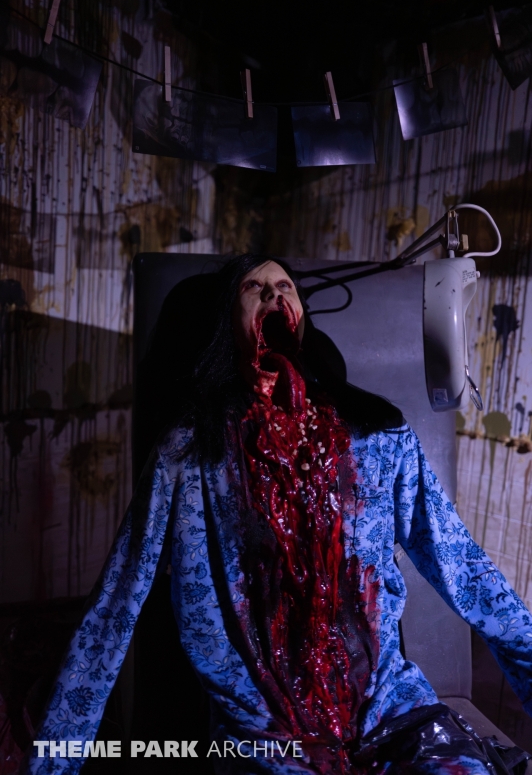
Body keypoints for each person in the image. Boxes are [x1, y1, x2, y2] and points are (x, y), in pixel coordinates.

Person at [26, 254, 532, 775]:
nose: (273, 294)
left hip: (388, 707)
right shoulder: (190, 454)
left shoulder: (378, 437)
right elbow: (116, 601)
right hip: (265, 728)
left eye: (285, 285)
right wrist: (55, 760)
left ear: (301, 318)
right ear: (228, 323)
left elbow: (463, 567)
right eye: (254, 286)